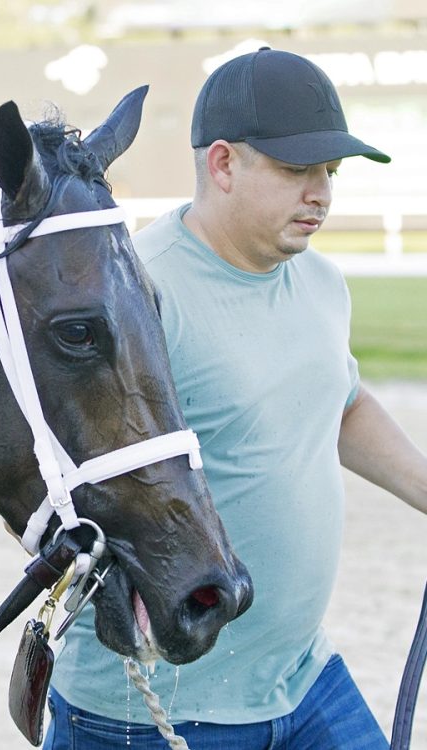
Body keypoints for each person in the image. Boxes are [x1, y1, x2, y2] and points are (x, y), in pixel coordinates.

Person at [44, 47, 427, 749]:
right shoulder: (134, 299)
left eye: (330, 173)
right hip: (155, 712)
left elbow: (340, 405)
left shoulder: (320, 283)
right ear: (223, 164)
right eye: (296, 170)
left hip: (302, 678)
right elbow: (52, 485)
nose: (321, 194)